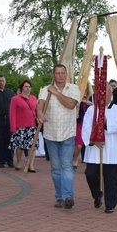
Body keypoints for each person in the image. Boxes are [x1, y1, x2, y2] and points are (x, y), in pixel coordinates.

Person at [37, 64, 80, 209]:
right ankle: (59, 196)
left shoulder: (73, 88)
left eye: (63, 73)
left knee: (66, 165)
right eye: (57, 73)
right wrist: (39, 112)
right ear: (53, 74)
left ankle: (68, 195)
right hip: (51, 134)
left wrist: (55, 92)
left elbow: (70, 104)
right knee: (56, 168)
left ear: (66, 75)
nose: (60, 76)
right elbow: (40, 103)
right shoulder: (45, 90)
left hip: (68, 133)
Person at [82, 84, 117, 213]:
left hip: (111, 148)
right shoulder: (91, 110)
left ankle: (110, 204)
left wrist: (105, 121)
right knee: (90, 174)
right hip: (95, 148)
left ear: (110, 94)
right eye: (99, 93)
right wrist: (93, 140)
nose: (101, 96)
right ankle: (97, 194)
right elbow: (86, 127)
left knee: (111, 178)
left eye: (104, 93)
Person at [9, 79, 38, 172]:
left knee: (32, 146)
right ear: (22, 88)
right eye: (26, 86)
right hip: (20, 126)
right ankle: (18, 162)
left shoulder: (33, 98)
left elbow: (36, 110)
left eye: (29, 87)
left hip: (32, 126)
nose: (27, 89)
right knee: (20, 146)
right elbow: (12, 113)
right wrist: (13, 127)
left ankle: (31, 164)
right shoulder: (15, 99)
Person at [72, 88, 92, 170]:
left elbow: (98, 107)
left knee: (89, 144)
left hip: (89, 124)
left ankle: (89, 163)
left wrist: (88, 102)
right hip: (79, 123)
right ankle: (75, 158)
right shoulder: (75, 96)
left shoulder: (92, 97)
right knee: (79, 145)